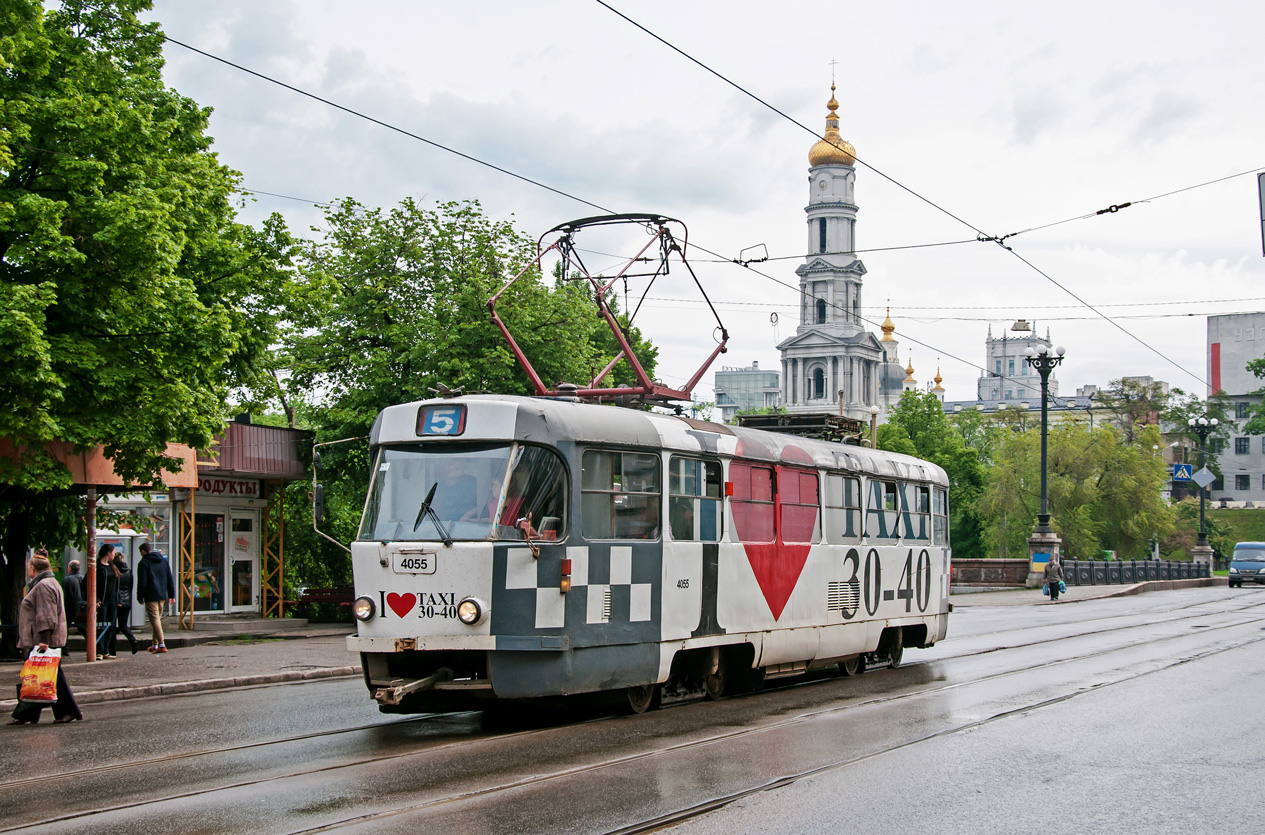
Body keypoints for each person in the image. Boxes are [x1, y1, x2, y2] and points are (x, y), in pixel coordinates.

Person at [9, 553, 82, 725]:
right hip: (46, 638)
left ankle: (67, 711)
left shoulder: (43, 586)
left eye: (29, 567)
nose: (28, 570)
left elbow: (46, 614)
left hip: (43, 639)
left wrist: (43, 640)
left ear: (34, 569)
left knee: (43, 677)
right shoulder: (49, 583)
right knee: (40, 676)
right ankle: (28, 713)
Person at [135, 541, 176, 653]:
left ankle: (162, 644)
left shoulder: (143, 563)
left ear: (143, 551)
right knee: (157, 619)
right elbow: (169, 578)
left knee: (155, 620)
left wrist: (140, 597)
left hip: (150, 595)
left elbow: (142, 582)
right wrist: (171, 594)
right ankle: (155, 645)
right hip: (162, 594)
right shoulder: (163, 561)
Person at [95, 545, 120, 659]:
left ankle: (106, 650)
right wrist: (96, 599)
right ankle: (99, 651)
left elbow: (116, 585)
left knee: (111, 625)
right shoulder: (97, 567)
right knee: (101, 624)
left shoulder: (112, 567)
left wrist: (118, 598)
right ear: (108, 553)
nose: (114, 555)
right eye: (113, 552)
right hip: (102, 600)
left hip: (112, 600)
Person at [113, 552, 139, 654]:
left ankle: (113, 649)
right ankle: (132, 640)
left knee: (112, 625)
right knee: (123, 625)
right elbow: (130, 586)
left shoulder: (114, 571)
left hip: (116, 600)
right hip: (127, 600)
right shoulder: (128, 571)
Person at [60, 558, 86, 655]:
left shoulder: (67, 580)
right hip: (82, 608)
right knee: (83, 628)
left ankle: (64, 648)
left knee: (64, 627)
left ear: (70, 569)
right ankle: (93, 645)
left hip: (70, 608)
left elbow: (65, 596)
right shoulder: (84, 578)